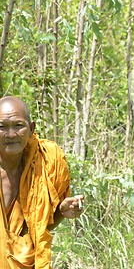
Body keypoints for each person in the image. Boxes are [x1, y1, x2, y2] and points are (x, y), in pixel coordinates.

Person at [0, 96, 84, 268]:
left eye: (18, 125)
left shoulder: (46, 161)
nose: (10, 134)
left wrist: (61, 211)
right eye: (1, 127)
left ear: (31, 128)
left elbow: (38, 229)